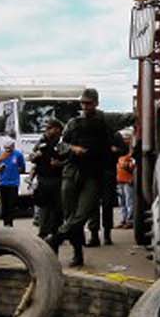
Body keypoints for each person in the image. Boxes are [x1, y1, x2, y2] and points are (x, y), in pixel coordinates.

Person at [49, 88, 115, 268]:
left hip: (93, 175)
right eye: (83, 103)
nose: (85, 106)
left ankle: (56, 237)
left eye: (89, 103)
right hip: (72, 172)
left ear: (96, 103)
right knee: (71, 216)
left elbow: (126, 127)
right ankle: (77, 254)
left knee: (82, 214)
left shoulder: (105, 121)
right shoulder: (73, 123)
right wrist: (73, 149)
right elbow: (61, 145)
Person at [88, 127, 129, 247]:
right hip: (93, 174)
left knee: (107, 205)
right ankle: (94, 235)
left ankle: (107, 235)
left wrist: (116, 150)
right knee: (92, 205)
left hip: (108, 173)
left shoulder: (113, 135)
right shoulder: (90, 132)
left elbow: (124, 150)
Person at [30, 119, 65, 240]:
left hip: (57, 178)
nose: (47, 131)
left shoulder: (61, 142)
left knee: (58, 207)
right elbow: (32, 157)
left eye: (50, 128)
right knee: (44, 206)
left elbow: (68, 159)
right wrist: (36, 156)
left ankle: (57, 231)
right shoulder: (41, 142)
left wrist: (59, 163)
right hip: (44, 178)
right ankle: (43, 231)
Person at [0, 141, 27, 227]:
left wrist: (16, 172)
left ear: (13, 147)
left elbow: (22, 167)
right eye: (6, 148)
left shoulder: (18, 155)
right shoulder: (1, 155)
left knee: (11, 204)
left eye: (9, 148)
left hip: (14, 183)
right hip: (3, 182)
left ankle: (10, 222)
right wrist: (0, 169)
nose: (8, 150)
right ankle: (6, 223)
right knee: (4, 204)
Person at [116, 134, 135, 229]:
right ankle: (124, 219)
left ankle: (130, 220)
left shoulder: (131, 157)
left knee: (129, 201)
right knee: (122, 202)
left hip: (128, 181)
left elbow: (132, 167)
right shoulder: (120, 157)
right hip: (120, 182)